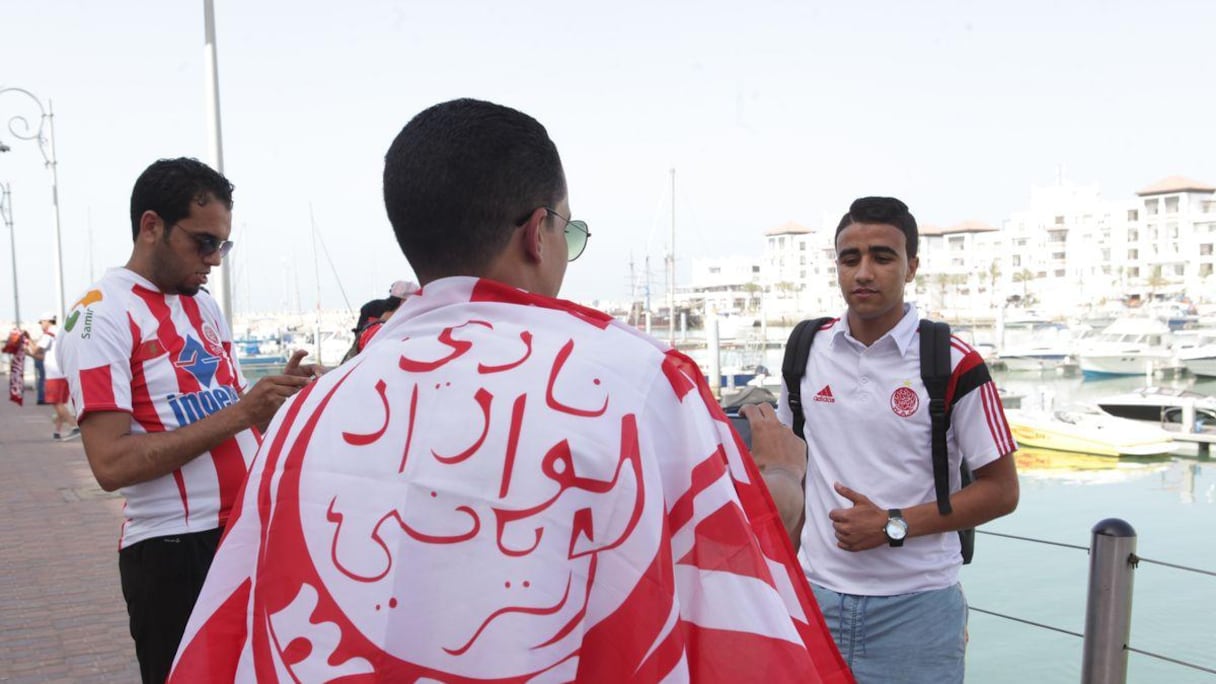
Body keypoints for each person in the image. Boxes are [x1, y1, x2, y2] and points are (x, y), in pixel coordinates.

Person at [171, 99, 851, 683]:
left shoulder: (310, 410)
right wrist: (783, 477)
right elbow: (723, 596)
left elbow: (239, 617)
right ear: (538, 232)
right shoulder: (636, 386)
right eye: (570, 231)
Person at [56, 157, 318, 684]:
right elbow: (109, 463)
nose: (215, 260)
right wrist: (243, 410)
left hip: (241, 530)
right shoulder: (98, 315)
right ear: (151, 226)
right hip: (173, 549)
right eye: (203, 242)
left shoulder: (201, 304)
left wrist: (271, 403)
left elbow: (223, 413)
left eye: (223, 245)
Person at [775, 196, 1020, 684]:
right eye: (850, 258)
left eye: (882, 257)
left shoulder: (952, 361)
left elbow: (1002, 490)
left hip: (917, 611)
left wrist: (892, 525)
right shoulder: (805, 350)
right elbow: (797, 468)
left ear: (911, 268)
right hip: (814, 598)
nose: (864, 271)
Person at [25, 312, 78, 439]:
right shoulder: (58, 333)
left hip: (54, 375)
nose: (41, 325)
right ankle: (57, 432)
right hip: (61, 373)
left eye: (42, 322)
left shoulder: (48, 335)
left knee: (55, 403)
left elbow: (36, 350)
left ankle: (74, 426)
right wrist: (28, 353)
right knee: (59, 403)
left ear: (48, 321)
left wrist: (28, 340)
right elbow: (42, 356)